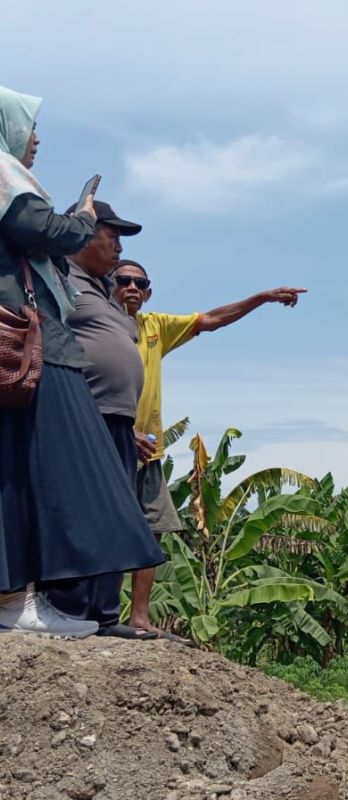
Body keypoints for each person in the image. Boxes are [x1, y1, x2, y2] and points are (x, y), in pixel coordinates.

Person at [0, 86, 163, 638]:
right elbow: (48, 232)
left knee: (28, 473)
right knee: (52, 478)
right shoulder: (4, 176)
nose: (37, 139)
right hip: (37, 352)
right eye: (29, 127)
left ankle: (33, 599)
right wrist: (81, 217)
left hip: (40, 354)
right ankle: (26, 599)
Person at [111, 257, 305, 637]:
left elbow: (211, 319)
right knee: (107, 530)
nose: (132, 288)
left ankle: (139, 618)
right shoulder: (96, 328)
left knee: (153, 530)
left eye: (140, 283)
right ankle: (101, 613)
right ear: (108, 286)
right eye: (123, 280)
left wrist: (263, 298)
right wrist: (119, 428)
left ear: (148, 293)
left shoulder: (155, 327)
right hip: (110, 445)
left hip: (150, 452)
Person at [45, 199, 165, 639]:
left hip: (119, 420)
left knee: (115, 514)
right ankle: (70, 608)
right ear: (83, 235)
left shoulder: (104, 290)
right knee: (81, 510)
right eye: (110, 237)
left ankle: (104, 614)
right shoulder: (59, 275)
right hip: (82, 412)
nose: (118, 248)